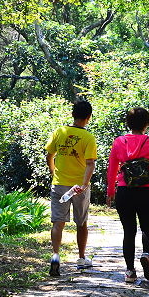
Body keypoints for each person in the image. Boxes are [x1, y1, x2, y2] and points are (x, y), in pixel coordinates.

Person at [106, 107, 149, 283]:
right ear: (147, 124)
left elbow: (112, 168)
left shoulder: (119, 142)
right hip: (145, 191)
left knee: (129, 231)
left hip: (124, 192)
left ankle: (129, 271)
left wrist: (110, 191)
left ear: (127, 123)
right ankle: (146, 255)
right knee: (147, 227)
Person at [45, 100, 98, 277]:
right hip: (79, 187)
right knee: (81, 222)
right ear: (88, 117)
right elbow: (90, 164)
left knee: (58, 222)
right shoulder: (88, 138)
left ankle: (55, 256)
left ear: (72, 114)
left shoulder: (60, 132)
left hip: (59, 184)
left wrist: (54, 173)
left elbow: (49, 155)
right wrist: (84, 184)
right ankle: (82, 259)